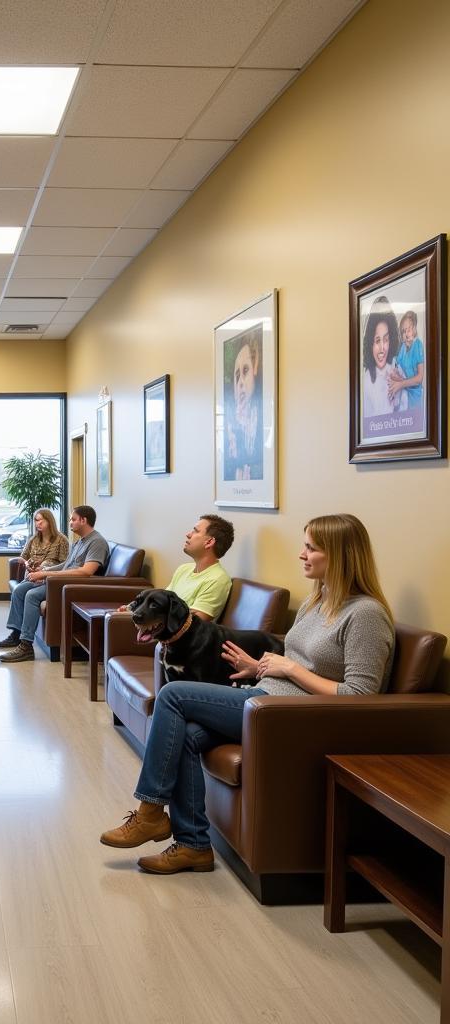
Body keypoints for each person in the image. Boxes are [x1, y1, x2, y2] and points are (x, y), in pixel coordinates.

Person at [99, 513, 394, 875]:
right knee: (188, 735)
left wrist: (290, 669)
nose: (302, 554)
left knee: (173, 695)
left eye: (311, 548)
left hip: (289, 714)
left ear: (341, 556)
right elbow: (295, 661)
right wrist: (260, 667)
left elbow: (361, 695)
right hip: (264, 695)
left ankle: (149, 813)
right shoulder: (317, 602)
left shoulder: (366, 614)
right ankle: (194, 846)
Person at [0, 505, 110, 664]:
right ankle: (16, 634)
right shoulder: (79, 542)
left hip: (69, 586)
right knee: (20, 590)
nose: (70, 522)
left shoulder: (97, 542)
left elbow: (86, 572)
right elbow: (65, 566)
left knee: (32, 595)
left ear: (84, 521)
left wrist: (47, 574)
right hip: (59, 580)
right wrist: (43, 571)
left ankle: (26, 646)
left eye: (73, 519)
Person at [139, 515, 234, 622]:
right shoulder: (184, 569)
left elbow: (193, 622)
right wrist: (133, 609)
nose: (188, 535)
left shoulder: (218, 580)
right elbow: (162, 602)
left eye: (196, 531)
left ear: (209, 542)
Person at [224, 331, 263, 481]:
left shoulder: (262, 416)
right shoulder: (231, 423)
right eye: (237, 375)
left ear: (255, 370)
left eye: (245, 370)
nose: (240, 382)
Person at [360, 295, 405, 418]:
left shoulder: (398, 372)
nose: (382, 348)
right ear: (370, 343)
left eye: (385, 340)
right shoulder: (366, 380)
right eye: (377, 340)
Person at [389, 309, 424, 409]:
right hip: (404, 395)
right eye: (403, 331)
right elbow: (397, 367)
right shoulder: (403, 348)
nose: (406, 333)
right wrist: (394, 376)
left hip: (415, 397)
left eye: (408, 329)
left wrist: (401, 384)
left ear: (414, 329)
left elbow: (419, 378)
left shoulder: (417, 345)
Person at [18, 508, 69, 573]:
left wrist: (45, 567)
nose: (38, 523)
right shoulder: (33, 539)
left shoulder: (61, 539)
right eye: (36, 520)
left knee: (46, 564)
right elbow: (22, 558)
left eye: (41, 520)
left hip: (49, 577)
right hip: (30, 575)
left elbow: (65, 564)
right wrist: (27, 564)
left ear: (49, 521)